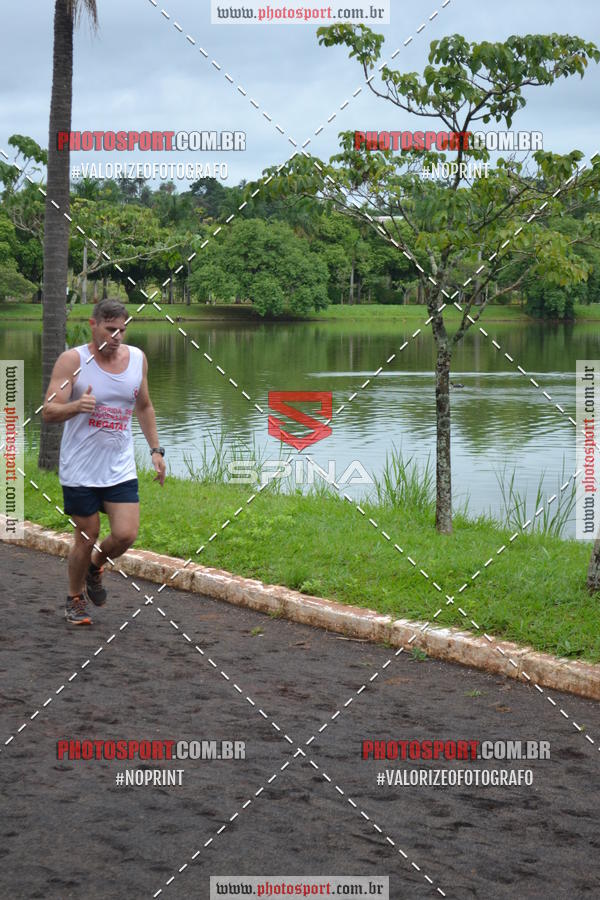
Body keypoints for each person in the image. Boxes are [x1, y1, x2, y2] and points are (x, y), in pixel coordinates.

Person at [42, 298, 166, 625]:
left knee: (126, 534)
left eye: (122, 330)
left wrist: (156, 450)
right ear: (93, 325)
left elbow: (144, 407)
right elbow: (49, 411)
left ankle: (95, 566)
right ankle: (73, 598)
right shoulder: (73, 361)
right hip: (80, 468)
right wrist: (76, 406)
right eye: (110, 330)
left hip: (118, 466)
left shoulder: (137, 359)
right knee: (88, 532)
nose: (116, 337)